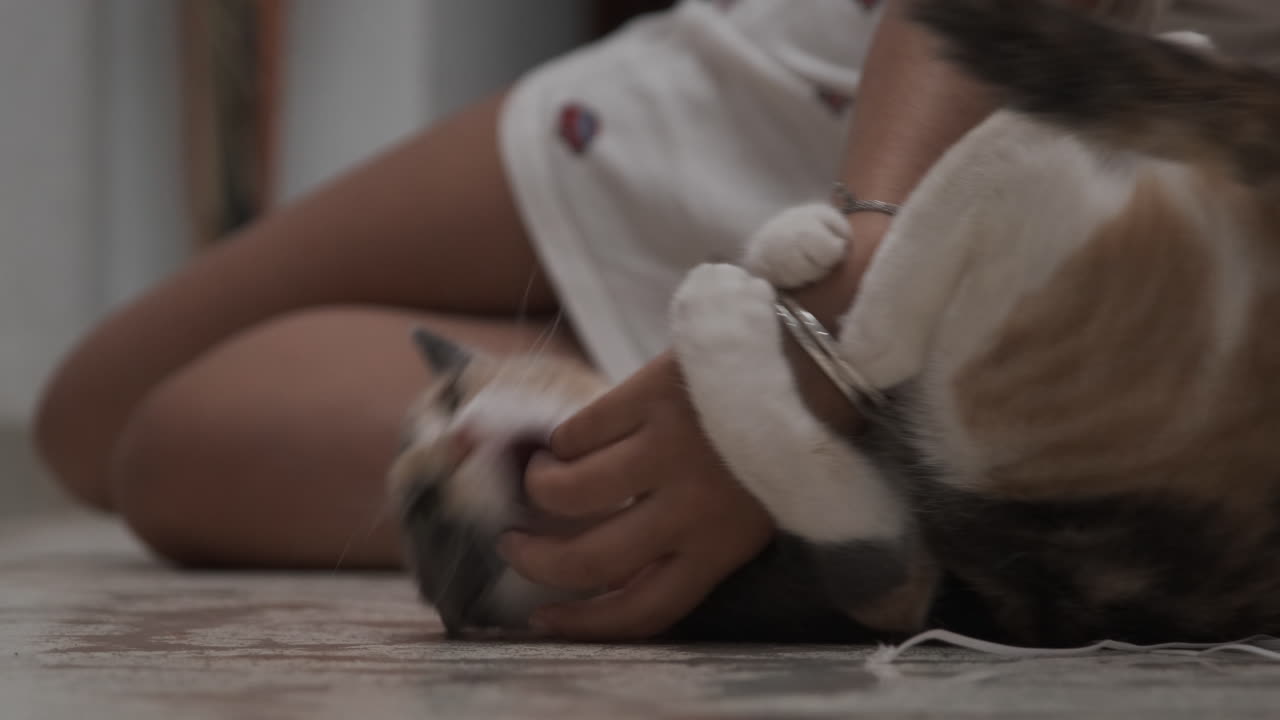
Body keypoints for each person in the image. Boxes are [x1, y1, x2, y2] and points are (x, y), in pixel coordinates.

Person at [33, 0, 1156, 641]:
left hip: (1079, 278)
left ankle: (681, 437)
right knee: (85, 419)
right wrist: (847, 287)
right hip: (875, 112)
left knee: (174, 452)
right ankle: (666, 411)